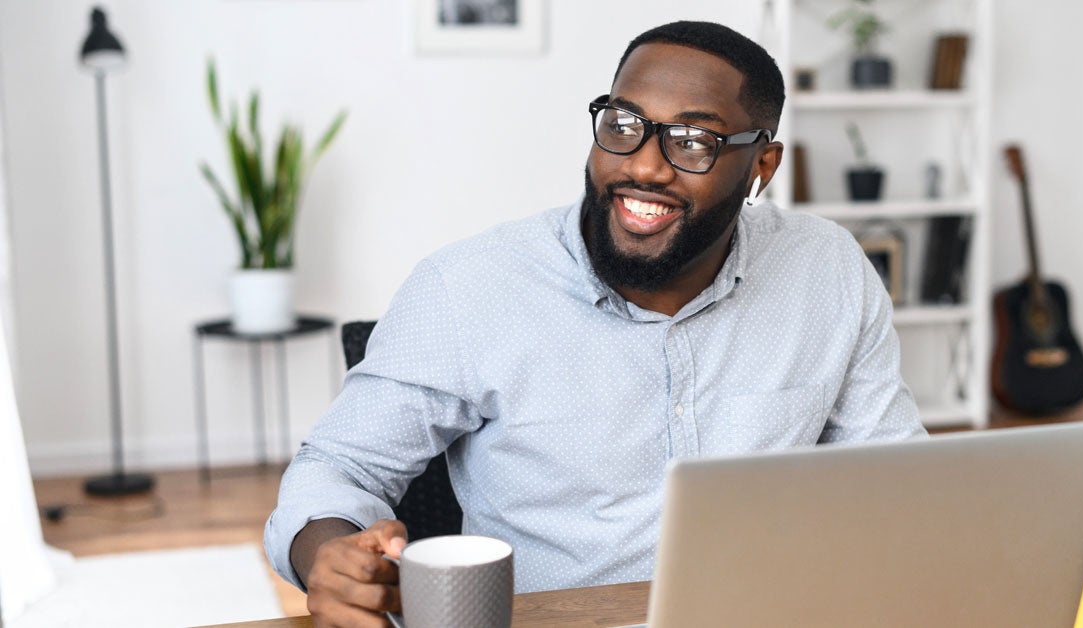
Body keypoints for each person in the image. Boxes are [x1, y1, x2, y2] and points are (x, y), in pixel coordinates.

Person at [265, 20, 925, 626]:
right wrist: (329, 554)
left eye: (694, 140)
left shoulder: (827, 269)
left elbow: (899, 486)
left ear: (762, 166)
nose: (643, 164)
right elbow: (338, 466)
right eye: (624, 123)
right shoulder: (469, 288)